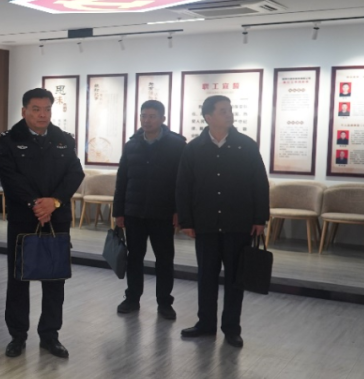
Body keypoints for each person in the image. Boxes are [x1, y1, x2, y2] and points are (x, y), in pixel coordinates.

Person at [0, 88, 84, 359]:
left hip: (56, 219)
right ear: (24, 111)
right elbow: (10, 178)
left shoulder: (63, 139)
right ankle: (17, 336)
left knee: (55, 279)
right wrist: (36, 204)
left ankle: (50, 335)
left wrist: (53, 202)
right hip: (24, 219)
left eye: (47, 109)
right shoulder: (10, 140)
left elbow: (75, 173)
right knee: (18, 279)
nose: (42, 114)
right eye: (36, 109)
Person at [176, 95, 269, 348]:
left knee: (234, 280)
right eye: (223, 111)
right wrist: (186, 221)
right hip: (205, 224)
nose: (229, 114)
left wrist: (260, 218)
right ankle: (205, 324)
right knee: (206, 277)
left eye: (230, 110)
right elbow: (183, 187)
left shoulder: (246, 146)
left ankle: (231, 328)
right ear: (208, 117)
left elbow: (259, 183)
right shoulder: (194, 148)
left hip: (238, 223)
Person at [112, 100, 186, 319]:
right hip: (134, 213)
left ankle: (164, 303)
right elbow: (122, 180)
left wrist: (179, 210)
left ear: (163, 119)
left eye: (152, 116)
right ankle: (132, 299)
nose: (147, 120)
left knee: (164, 259)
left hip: (163, 213)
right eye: (143, 116)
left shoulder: (177, 145)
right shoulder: (132, 144)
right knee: (134, 258)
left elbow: (182, 182)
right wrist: (118, 212)